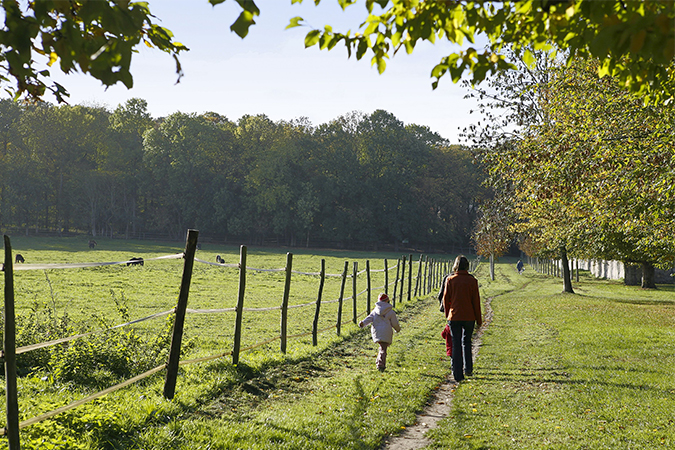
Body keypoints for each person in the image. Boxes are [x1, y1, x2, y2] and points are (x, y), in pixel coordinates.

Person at [443, 255, 482, 383]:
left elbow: (445, 299)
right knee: (467, 342)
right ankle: (468, 368)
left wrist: (448, 314)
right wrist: (479, 319)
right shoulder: (472, 281)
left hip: (454, 316)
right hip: (469, 316)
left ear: (456, 265)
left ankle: (457, 373)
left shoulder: (450, 280)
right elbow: (476, 301)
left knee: (456, 344)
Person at [359, 293, 401, 371]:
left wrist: (363, 323)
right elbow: (395, 323)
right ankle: (381, 365)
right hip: (386, 331)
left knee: (382, 347)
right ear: (387, 301)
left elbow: (369, 318)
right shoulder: (391, 312)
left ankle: (378, 362)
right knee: (383, 349)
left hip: (377, 331)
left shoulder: (375, 311)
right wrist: (397, 329)